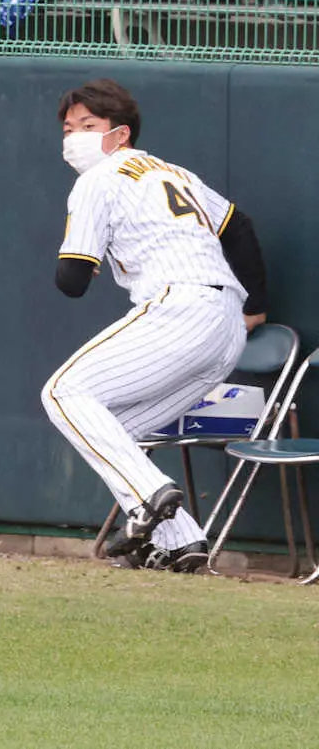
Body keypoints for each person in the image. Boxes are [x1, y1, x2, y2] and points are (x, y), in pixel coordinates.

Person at [41, 79, 267, 574]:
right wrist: (256, 308)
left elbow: (72, 280)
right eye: (69, 127)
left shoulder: (98, 179)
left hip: (179, 306)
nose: (74, 136)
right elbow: (239, 226)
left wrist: (83, 259)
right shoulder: (173, 172)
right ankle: (184, 541)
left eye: (88, 126)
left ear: (119, 134)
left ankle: (147, 499)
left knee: (61, 394)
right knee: (110, 431)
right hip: (225, 327)